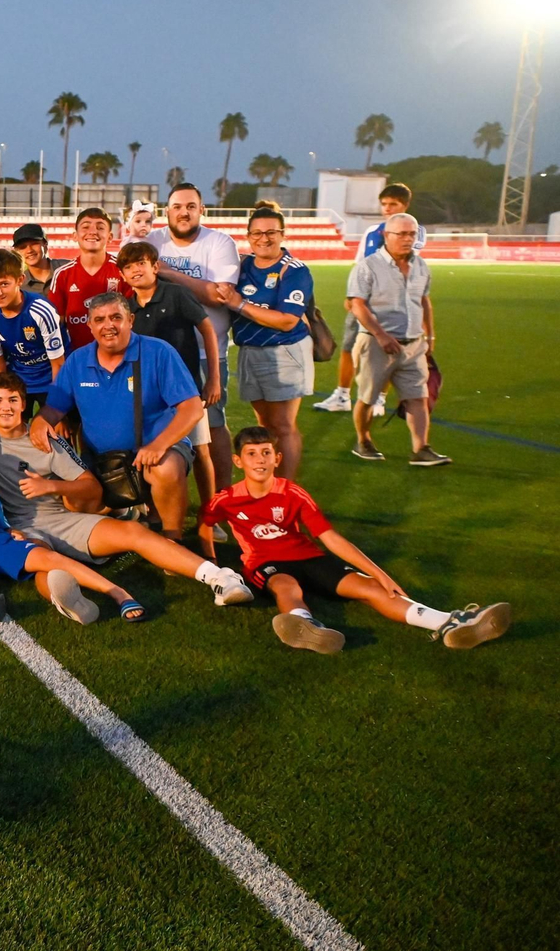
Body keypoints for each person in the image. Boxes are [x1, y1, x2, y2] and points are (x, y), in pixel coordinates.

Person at [200, 427, 508, 652]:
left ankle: (449, 623)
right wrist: (213, 563)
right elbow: (205, 525)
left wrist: (380, 574)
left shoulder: (293, 494)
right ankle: (304, 624)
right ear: (238, 461)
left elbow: (330, 538)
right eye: (251, 454)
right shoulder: (225, 499)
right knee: (286, 586)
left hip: (309, 558)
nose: (260, 459)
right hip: (265, 563)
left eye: (266, 452)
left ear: (277, 457)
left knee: (372, 588)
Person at [0, 372, 253, 610]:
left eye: (13, 400)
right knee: (44, 562)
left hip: (63, 519)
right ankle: (69, 601)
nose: (6, 407)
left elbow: (92, 488)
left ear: (24, 404)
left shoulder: (44, 438)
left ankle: (220, 578)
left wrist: (51, 485)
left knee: (135, 533)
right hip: (19, 527)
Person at [33, 292, 201, 539]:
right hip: (102, 459)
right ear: (89, 326)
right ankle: (124, 511)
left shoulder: (158, 352)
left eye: (115, 317)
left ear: (130, 320)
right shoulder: (77, 361)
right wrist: (40, 421)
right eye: (99, 320)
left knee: (165, 467)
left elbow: (193, 408)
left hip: (152, 451)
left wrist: (158, 445)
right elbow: (54, 408)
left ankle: (172, 536)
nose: (108, 325)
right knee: (74, 503)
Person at [0, 444, 139, 624]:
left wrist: (12, 531)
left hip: (1, 547)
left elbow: (1, 522)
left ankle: (118, 593)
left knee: (52, 560)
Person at [148, 183, 241, 492]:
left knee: (211, 430)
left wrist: (169, 274)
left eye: (190, 206)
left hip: (205, 352)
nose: (183, 212)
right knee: (154, 427)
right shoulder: (153, 241)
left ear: (202, 209)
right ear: (166, 212)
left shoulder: (219, 243)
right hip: (159, 355)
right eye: (177, 206)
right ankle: (157, 504)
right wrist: (201, 286)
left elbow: (218, 297)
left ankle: (219, 503)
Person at [210, 204, 313, 478]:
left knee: (283, 425)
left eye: (271, 232)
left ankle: (286, 491)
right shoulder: (243, 264)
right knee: (266, 424)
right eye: (257, 233)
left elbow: (288, 320)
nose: (264, 239)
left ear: (283, 234)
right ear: (248, 235)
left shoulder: (294, 270)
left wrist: (240, 304)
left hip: (284, 351)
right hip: (250, 351)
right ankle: (269, 485)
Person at [117, 240, 220, 506]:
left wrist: (213, 379)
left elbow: (208, 330)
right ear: (122, 275)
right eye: (128, 267)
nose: (136, 270)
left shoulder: (176, 294)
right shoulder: (128, 308)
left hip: (186, 392)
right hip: (149, 395)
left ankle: (209, 514)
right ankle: (153, 509)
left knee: (200, 450)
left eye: (141, 263)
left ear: (155, 266)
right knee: (149, 450)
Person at [346, 212, 448, 465]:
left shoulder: (421, 266)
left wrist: (429, 334)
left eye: (412, 233)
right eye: (401, 233)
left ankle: (421, 448)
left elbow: (424, 301)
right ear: (386, 236)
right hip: (375, 344)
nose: (407, 239)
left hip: (413, 344)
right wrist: (381, 335)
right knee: (367, 397)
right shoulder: (368, 266)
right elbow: (356, 305)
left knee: (417, 397)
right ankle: (364, 440)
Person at [315, 183, 416, 415]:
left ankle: (379, 398)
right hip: (363, 303)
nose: (387, 208)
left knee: (389, 351)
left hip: (391, 305)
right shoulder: (372, 233)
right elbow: (359, 265)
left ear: (406, 205)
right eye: (384, 204)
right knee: (349, 347)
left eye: (393, 204)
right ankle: (341, 395)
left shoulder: (414, 234)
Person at [0, 249, 65, 413]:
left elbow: (58, 364)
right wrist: (2, 400)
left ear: (20, 280)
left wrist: (56, 408)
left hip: (52, 378)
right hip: (18, 379)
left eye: (4, 284)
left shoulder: (40, 311)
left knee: (58, 430)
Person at [47, 207, 131, 353]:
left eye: (100, 227)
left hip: (119, 356)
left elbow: (133, 318)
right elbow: (55, 326)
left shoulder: (122, 270)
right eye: (86, 227)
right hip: (77, 358)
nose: (92, 231)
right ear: (75, 235)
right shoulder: (62, 275)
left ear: (110, 236)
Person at [12, 223, 68, 296]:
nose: (29, 250)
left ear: (45, 245)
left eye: (34, 244)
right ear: (17, 252)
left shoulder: (68, 269)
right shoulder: (19, 285)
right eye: (23, 247)